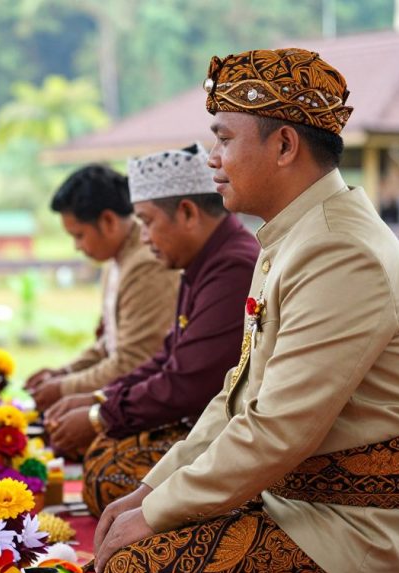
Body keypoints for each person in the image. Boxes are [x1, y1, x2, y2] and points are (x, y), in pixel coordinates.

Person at [91, 48, 399, 573]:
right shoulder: (294, 236)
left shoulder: (338, 250)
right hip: (296, 500)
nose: (212, 158)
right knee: (127, 514)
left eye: (225, 138)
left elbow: (277, 428)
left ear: (284, 145)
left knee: (133, 569)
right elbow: (238, 396)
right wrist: (153, 490)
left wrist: (155, 512)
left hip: (357, 529)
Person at [45, 143, 259, 517]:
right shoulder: (203, 263)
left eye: (146, 222)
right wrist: (100, 400)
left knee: (110, 475)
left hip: (234, 440)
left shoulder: (232, 266)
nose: (143, 238)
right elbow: (168, 356)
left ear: (188, 213)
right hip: (200, 424)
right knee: (105, 460)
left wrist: (102, 415)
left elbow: (186, 383)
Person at [26, 165, 178, 411]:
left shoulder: (146, 265)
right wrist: (63, 373)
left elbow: (133, 361)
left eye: (79, 235)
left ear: (108, 221)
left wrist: (64, 387)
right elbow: (111, 344)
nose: (76, 246)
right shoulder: (115, 262)